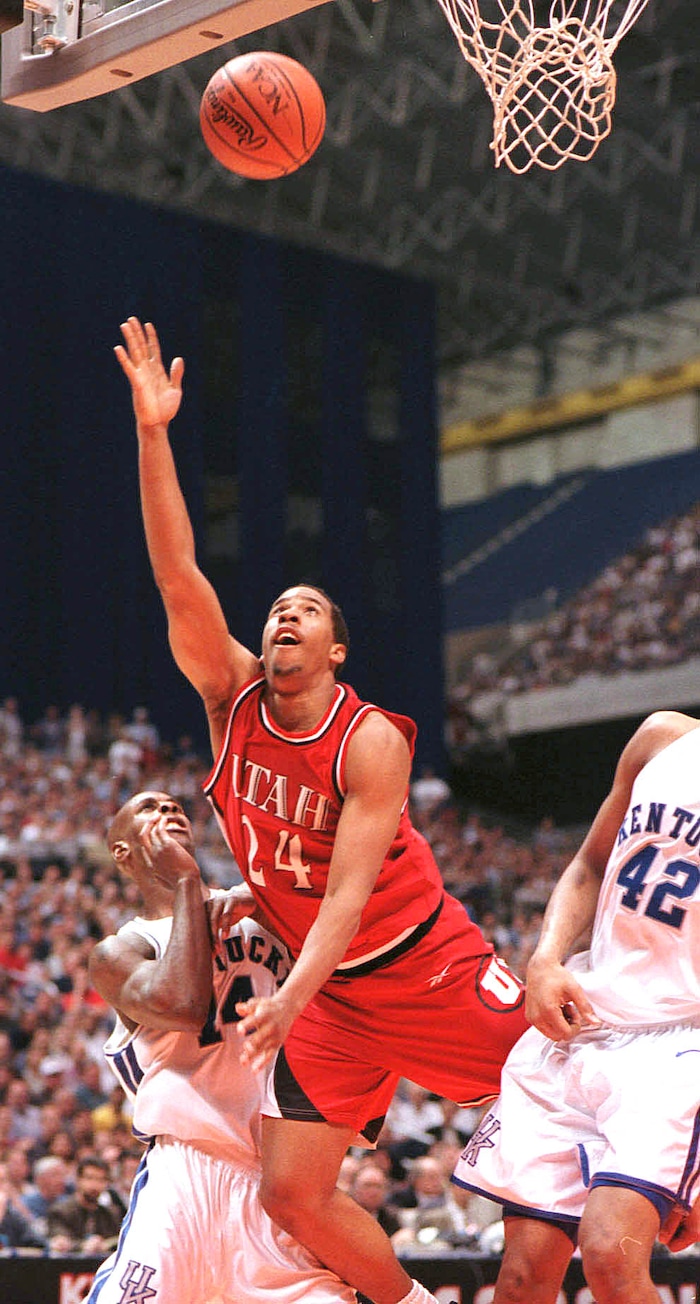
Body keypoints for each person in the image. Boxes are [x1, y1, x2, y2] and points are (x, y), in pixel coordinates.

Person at [115, 316, 528, 1304]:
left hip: (423, 966)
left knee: (566, 1084)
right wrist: (153, 433)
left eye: (304, 611)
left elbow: (345, 897)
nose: (282, 617)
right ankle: (414, 1303)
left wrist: (290, 998)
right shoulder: (232, 699)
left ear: (335, 650)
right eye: (275, 611)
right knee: (292, 1194)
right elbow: (177, 574)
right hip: (334, 998)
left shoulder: (370, 738)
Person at [453, 709, 700, 1304]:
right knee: (519, 1280)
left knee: (610, 1258)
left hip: (680, 1043)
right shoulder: (662, 739)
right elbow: (589, 864)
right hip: (584, 1021)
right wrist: (545, 958)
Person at [85, 788, 362, 1304]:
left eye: (174, 806)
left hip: (278, 1182)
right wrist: (187, 883)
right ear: (123, 853)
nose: (168, 810)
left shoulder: (260, 915)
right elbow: (183, 1006)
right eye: (149, 808)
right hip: (185, 1173)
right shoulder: (121, 950)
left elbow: (342, 884)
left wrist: (252, 892)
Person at [47, 1154, 123, 1256]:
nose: (95, 1185)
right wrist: (83, 1245)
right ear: (78, 1180)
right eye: (89, 1178)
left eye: (101, 1180)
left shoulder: (111, 1214)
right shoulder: (60, 1211)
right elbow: (61, 1243)